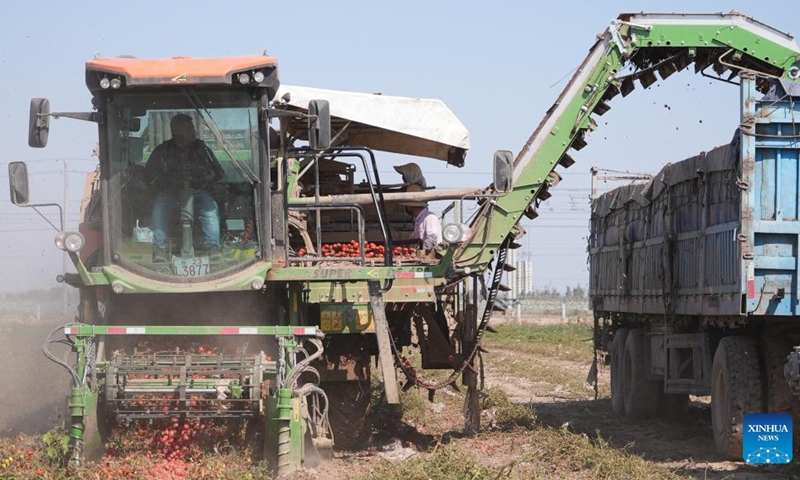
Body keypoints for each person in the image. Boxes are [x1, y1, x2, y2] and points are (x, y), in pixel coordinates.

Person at [144, 114, 225, 261]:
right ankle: (160, 249)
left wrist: (200, 180)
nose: (192, 131)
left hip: (199, 193)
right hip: (171, 194)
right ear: (176, 131)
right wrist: (167, 183)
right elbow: (149, 175)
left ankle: (213, 246)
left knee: (209, 208)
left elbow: (218, 172)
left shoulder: (202, 149)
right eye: (187, 128)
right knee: (159, 208)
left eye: (191, 128)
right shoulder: (163, 150)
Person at [402, 185, 442, 256]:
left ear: (411, 206)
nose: (406, 207)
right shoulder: (418, 220)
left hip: (431, 257)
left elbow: (432, 238)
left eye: (407, 205)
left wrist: (421, 252)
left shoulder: (429, 217)